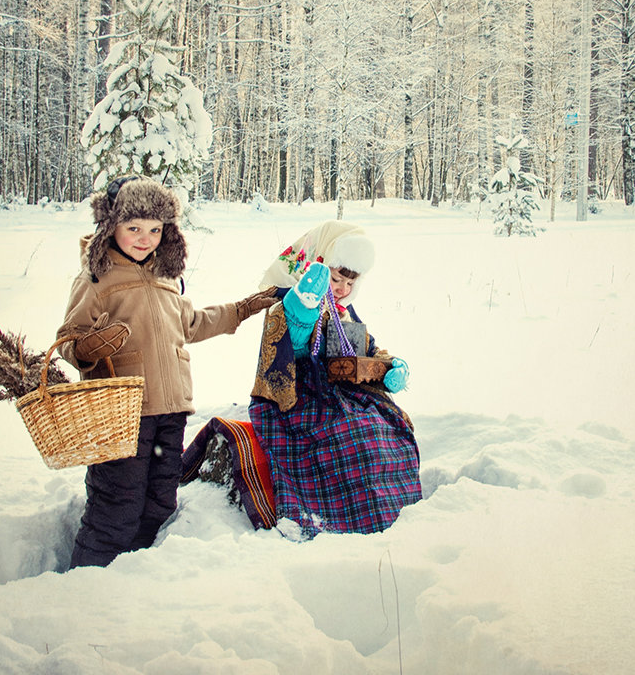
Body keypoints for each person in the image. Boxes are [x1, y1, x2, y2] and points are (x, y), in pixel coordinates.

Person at [56, 175, 276, 568]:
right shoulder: (97, 278)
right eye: (134, 228)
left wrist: (242, 309)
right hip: (122, 414)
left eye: (155, 229)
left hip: (171, 409)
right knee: (117, 505)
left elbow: (191, 324)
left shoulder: (165, 276)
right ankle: (86, 583)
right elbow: (69, 338)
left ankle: (135, 577)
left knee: (159, 501)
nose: (145, 238)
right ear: (111, 226)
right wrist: (88, 347)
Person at [246, 220, 421, 536]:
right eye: (337, 279)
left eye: (351, 283)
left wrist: (391, 366)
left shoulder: (344, 313)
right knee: (352, 438)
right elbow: (292, 347)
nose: (343, 289)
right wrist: (302, 311)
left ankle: (389, 507)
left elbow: (364, 350)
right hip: (302, 399)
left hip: (345, 395)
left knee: (383, 428)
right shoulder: (288, 305)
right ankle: (338, 516)